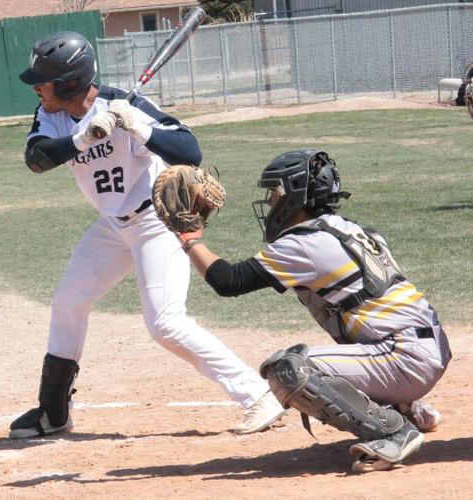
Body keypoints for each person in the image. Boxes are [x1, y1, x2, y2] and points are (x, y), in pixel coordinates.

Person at [8, 31, 286, 440]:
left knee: (165, 323)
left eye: (43, 81)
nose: (36, 88)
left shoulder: (128, 105)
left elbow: (190, 152)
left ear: (69, 83)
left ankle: (258, 395)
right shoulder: (49, 114)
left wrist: (139, 128)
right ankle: (54, 412)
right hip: (111, 226)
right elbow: (37, 159)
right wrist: (84, 137)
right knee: (69, 302)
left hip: (156, 222)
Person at [174, 149, 452, 472]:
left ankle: (394, 430)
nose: (270, 202)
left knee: (289, 370)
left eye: (274, 193)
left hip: (406, 356)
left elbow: (228, 281)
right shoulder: (349, 229)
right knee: (354, 319)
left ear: (295, 195)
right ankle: (408, 406)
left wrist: (189, 238)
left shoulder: (304, 244)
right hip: (425, 349)